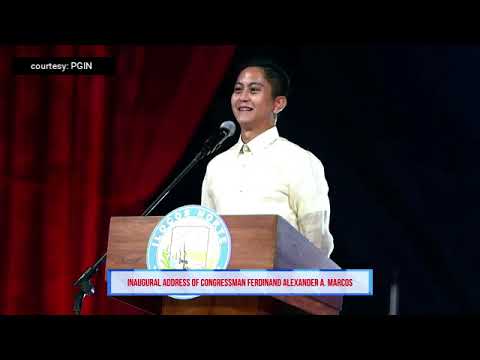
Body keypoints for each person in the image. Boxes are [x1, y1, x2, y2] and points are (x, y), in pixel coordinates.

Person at [201, 58, 334, 257]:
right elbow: (207, 234)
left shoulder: (299, 161)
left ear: (278, 103)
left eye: (254, 90)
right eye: (238, 90)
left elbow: (317, 241)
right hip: (225, 285)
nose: (243, 97)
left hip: (281, 284)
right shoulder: (217, 166)